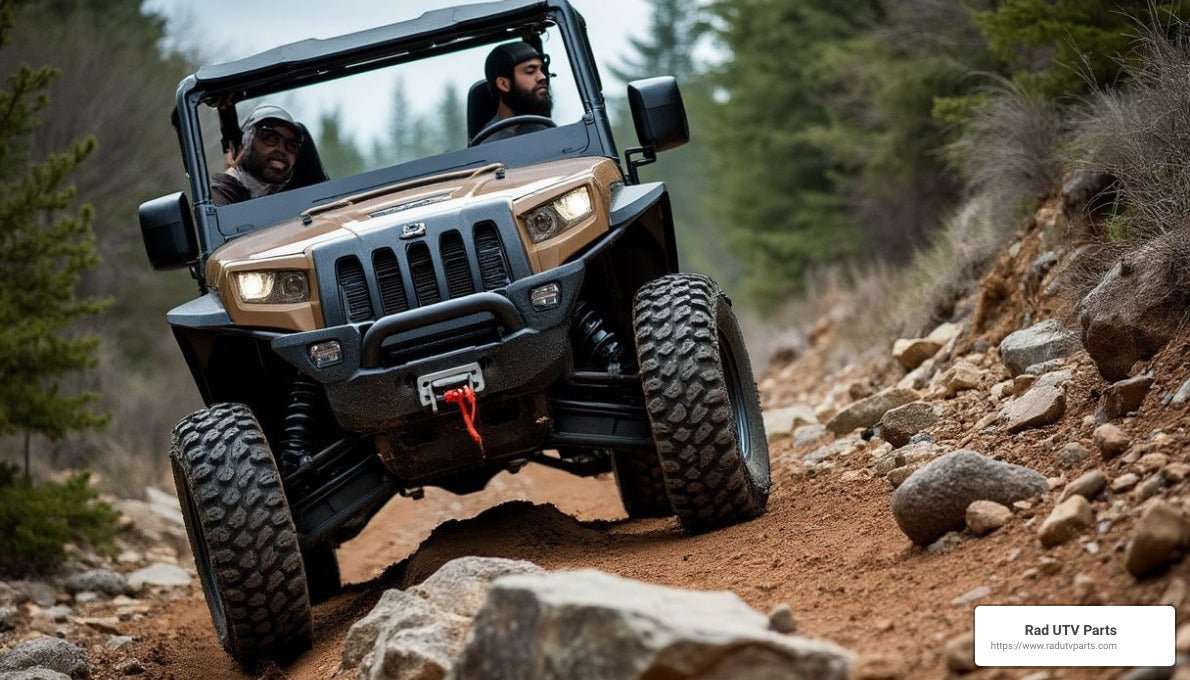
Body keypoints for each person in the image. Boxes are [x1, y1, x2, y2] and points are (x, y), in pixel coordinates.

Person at [211, 104, 305, 206]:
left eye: (291, 146)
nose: (282, 150)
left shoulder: (297, 197)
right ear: (246, 144)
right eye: (271, 139)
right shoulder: (222, 194)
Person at [478, 41, 554, 143]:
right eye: (530, 71)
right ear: (504, 84)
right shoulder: (488, 145)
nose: (542, 77)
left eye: (541, 70)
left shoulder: (550, 130)